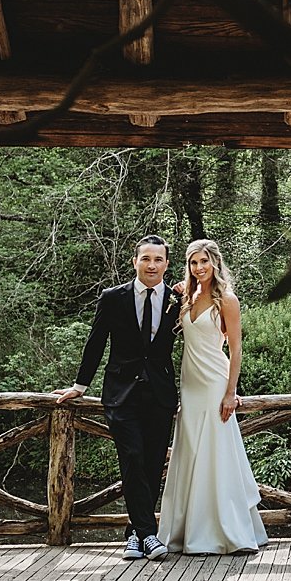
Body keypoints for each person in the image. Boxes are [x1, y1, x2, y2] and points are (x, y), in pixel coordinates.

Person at [54, 235, 179, 561]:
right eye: (146, 258)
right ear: (134, 261)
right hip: (120, 394)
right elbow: (95, 343)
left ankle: (134, 536)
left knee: (152, 464)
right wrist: (80, 386)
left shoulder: (177, 301)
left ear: (167, 263)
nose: (152, 265)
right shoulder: (113, 298)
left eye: (158, 260)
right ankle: (150, 534)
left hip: (161, 394)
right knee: (133, 457)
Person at [156, 238, 267, 555]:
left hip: (215, 383)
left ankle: (222, 530)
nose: (199, 267)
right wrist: (175, 296)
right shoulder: (187, 298)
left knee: (216, 452)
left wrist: (231, 392)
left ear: (215, 263)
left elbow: (236, 349)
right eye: (193, 262)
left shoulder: (226, 300)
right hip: (190, 385)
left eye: (204, 261)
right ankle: (187, 529)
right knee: (191, 450)